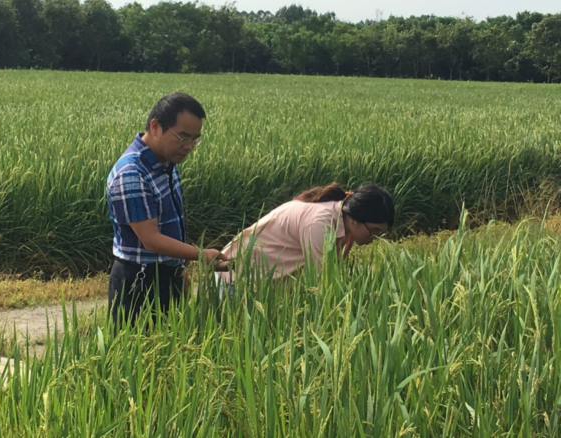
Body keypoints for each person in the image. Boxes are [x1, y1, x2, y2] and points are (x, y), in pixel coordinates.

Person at [106, 92, 228, 328]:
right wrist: (201, 254)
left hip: (166, 274)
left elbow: (169, 226)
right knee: (137, 357)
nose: (189, 147)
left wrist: (178, 269)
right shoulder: (132, 173)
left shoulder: (166, 164)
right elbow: (151, 239)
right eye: (182, 137)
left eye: (195, 139)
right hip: (139, 282)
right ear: (155, 126)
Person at [216, 183, 394, 293]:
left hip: (260, 287)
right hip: (235, 283)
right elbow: (323, 284)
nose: (375, 238)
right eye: (374, 231)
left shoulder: (342, 222)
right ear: (355, 220)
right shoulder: (319, 224)